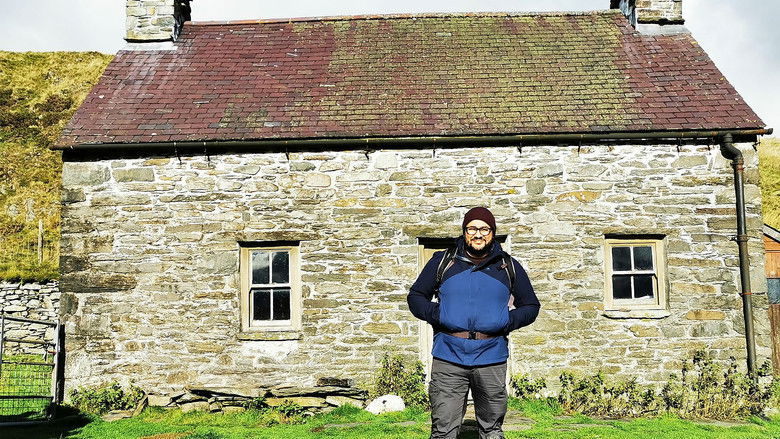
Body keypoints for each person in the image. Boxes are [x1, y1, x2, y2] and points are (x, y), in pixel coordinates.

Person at [407, 207, 540, 439]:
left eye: (484, 229)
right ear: (464, 232)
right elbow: (416, 296)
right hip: (448, 357)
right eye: (472, 229)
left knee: (492, 431)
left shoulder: (508, 266)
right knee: (443, 430)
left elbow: (531, 305)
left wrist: (506, 321)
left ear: (493, 232)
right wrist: (439, 315)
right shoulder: (443, 261)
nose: (478, 234)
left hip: (491, 358)